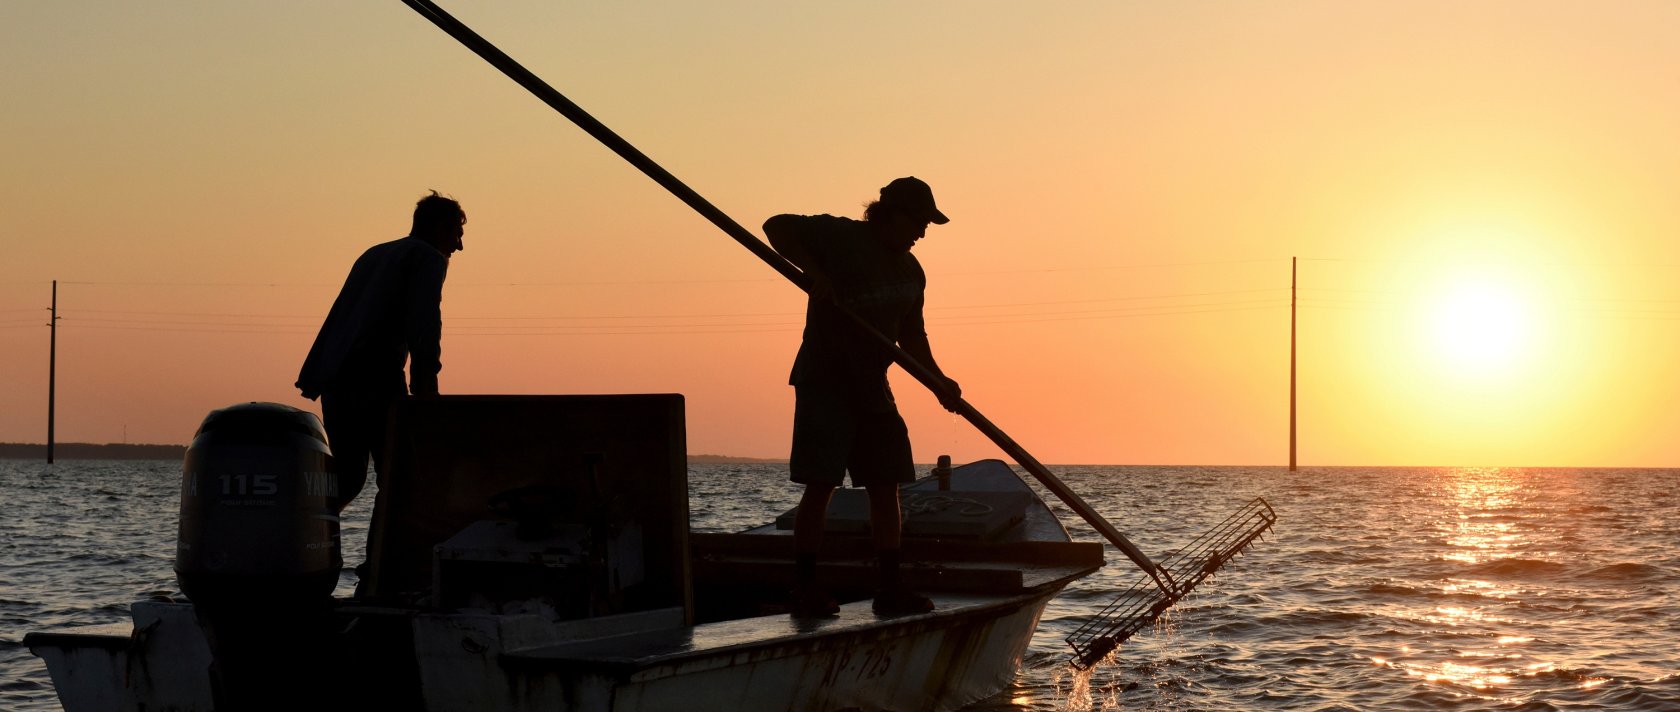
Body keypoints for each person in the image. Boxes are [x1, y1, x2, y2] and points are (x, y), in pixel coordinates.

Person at [764, 176, 962, 617]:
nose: (923, 233)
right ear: (890, 213)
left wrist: (939, 382)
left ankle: (890, 588)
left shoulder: (911, 271)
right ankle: (806, 586)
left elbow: (912, 338)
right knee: (821, 484)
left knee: (886, 483)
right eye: (918, 222)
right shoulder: (842, 237)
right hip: (825, 380)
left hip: (873, 385)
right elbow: (775, 226)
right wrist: (815, 275)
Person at [296, 190, 465, 518]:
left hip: (336, 378)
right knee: (399, 476)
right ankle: (383, 564)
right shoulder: (427, 257)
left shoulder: (375, 254)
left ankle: (301, 534)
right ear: (437, 228)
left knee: (347, 475)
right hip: (374, 376)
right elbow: (424, 322)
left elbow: (343, 316)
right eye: (456, 233)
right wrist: (426, 387)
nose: (458, 245)